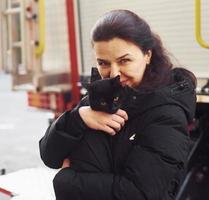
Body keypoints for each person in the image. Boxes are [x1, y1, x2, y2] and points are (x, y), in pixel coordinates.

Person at [39, 9, 196, 200]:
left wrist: (66, 182)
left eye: (124, 61)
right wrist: (77, 118)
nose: (114, 74)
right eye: (103, 63)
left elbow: (139, 194)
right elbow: (49, 156)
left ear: (147, 55)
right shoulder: (101, 95)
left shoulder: (167, 113)